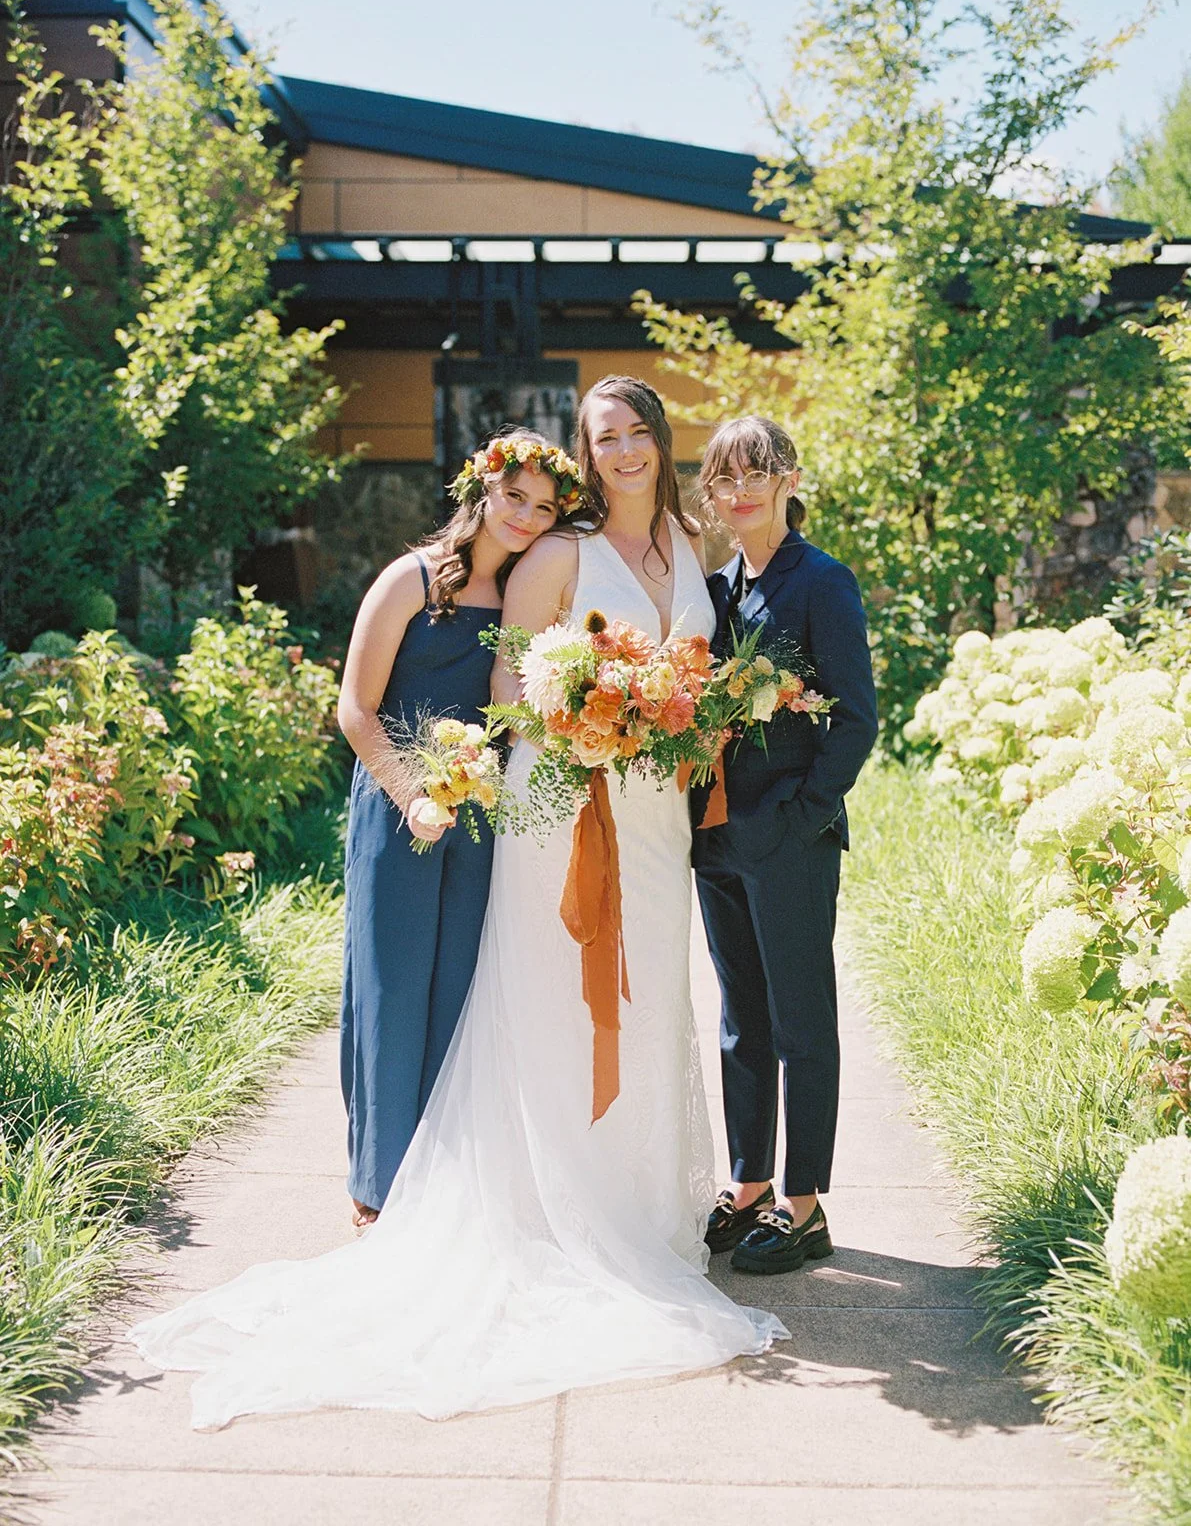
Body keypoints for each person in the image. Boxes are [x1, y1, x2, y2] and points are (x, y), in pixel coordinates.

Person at [127, 378, 785, 1430]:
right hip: (564, 794)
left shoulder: (695, 547)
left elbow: (694, 667)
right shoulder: (549, 560)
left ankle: (638, 1202)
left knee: (653, 993)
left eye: (632, 433)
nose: (620, 450)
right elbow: (514, 694)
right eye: (600, 437)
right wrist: (591, 732)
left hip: (656, 812)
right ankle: (496, 1194)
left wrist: (685, 724)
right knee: (534, 998)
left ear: (660, 441)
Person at [335, 429, 579, 1224]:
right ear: (481, 489)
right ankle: (378, 1187)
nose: (526, 517)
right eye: (516, 497)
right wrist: (410, 795)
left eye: (544, 508)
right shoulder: (407, 581)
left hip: (478, 816)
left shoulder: (521, 601)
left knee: (460, 989)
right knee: (392, 986)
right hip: (398, 805)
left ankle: (441, 1184)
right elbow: (356, 709)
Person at [692, 415, 878, 1274]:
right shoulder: (719, 585)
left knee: (801, 1022)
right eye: (727, 476)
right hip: (718, 838)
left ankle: (804, 1207)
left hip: (788, 839)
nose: (741, 491)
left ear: (789, 479)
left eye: (757, 473)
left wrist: (797, 821)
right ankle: (749, 1184)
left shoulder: (822, 582)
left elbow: (855, 720)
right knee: (740, 1022)